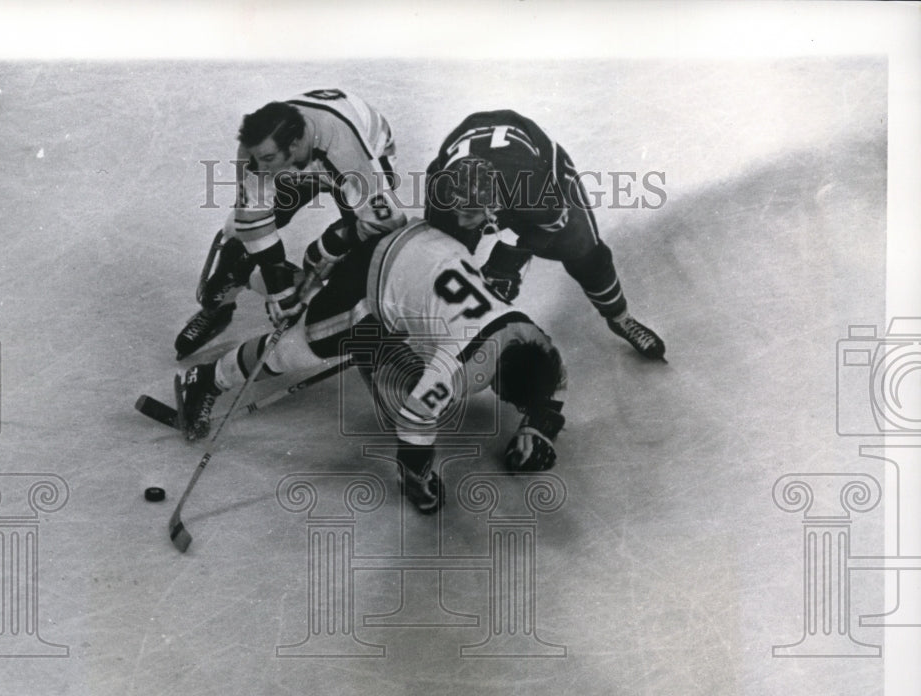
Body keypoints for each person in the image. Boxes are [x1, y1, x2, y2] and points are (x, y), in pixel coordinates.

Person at [174, 215, 568, 515]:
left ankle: (242, 268)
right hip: (374, 279)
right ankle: (208, 378)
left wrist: (539, 423)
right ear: (497, 382)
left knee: (319, 308)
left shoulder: (527, 332)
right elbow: (415, 419)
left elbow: (556, 374)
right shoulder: (461, 366)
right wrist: (417, 477)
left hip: (426, 244)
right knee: (298, 348)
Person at [174, 88, 406, 360]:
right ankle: (221, 306)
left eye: (268, 159)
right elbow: (253, 218)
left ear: (294, 145)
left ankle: (354, 318)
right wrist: (278, 285)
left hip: (365, 148)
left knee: (363, 249)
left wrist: (332, 244)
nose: (259, 167)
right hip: (311, 154)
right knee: (238, 235)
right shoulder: (259, 150)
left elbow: (389, 222)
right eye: (257, 157)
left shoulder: (348, 155)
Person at [424, 109, 666, 361]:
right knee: (444, 254)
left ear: (492, 207)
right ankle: (439, 329)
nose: (462, 221)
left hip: (541, 172)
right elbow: (436, 256)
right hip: (498, 163)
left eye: (470, 215)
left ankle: (620, 317)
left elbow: (553, 224)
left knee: (586, 254)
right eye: (458, 211)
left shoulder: (535, 190)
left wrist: (511, 261)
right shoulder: (441, 185)